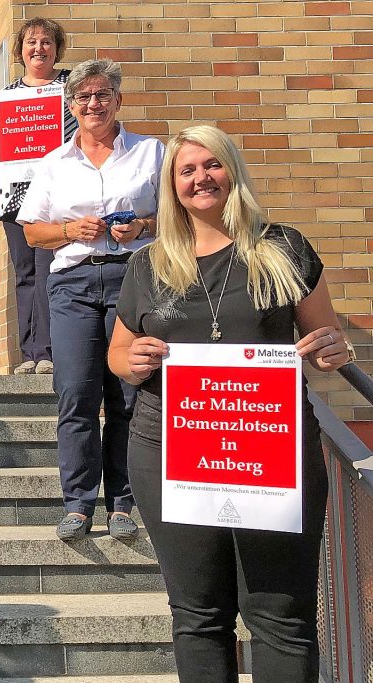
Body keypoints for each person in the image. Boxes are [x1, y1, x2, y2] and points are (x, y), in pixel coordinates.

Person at [109, 125, 349, 682]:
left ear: (232, 170)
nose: (201, 178)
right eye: (187, 170)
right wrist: (133, 360)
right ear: (172, 186)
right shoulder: (148, 264)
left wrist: (332, 349)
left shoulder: (283, 248)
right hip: (169, 451)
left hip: (269, 452)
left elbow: (325, 340)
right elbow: (119, 354)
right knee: (197, 616)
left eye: (211, 164)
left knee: (281, 617)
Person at [18, 58, 163, 541]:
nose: (93, 104)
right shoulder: (54, 163)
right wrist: (69, 229)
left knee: (127, 394)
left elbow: (179, 220)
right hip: (73, 283)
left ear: (118, 100)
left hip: (133, 280)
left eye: (102, 94)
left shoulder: (150, 152)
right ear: (71, 104)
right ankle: (78, 503)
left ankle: (123, 503)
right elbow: (32, 232)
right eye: (83, 97)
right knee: (77, 393)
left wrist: (141, 226)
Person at [0, 17, 78, 376]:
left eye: (46, 42)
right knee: (24, 274)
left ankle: (49, 350)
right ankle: (30, 353)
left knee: (48, 270)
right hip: (16, 196)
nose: (39, 48)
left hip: (57, 194)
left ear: (57, 49)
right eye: (32, 42)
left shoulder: (71, 88)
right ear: (20, 51)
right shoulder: (8, 95)